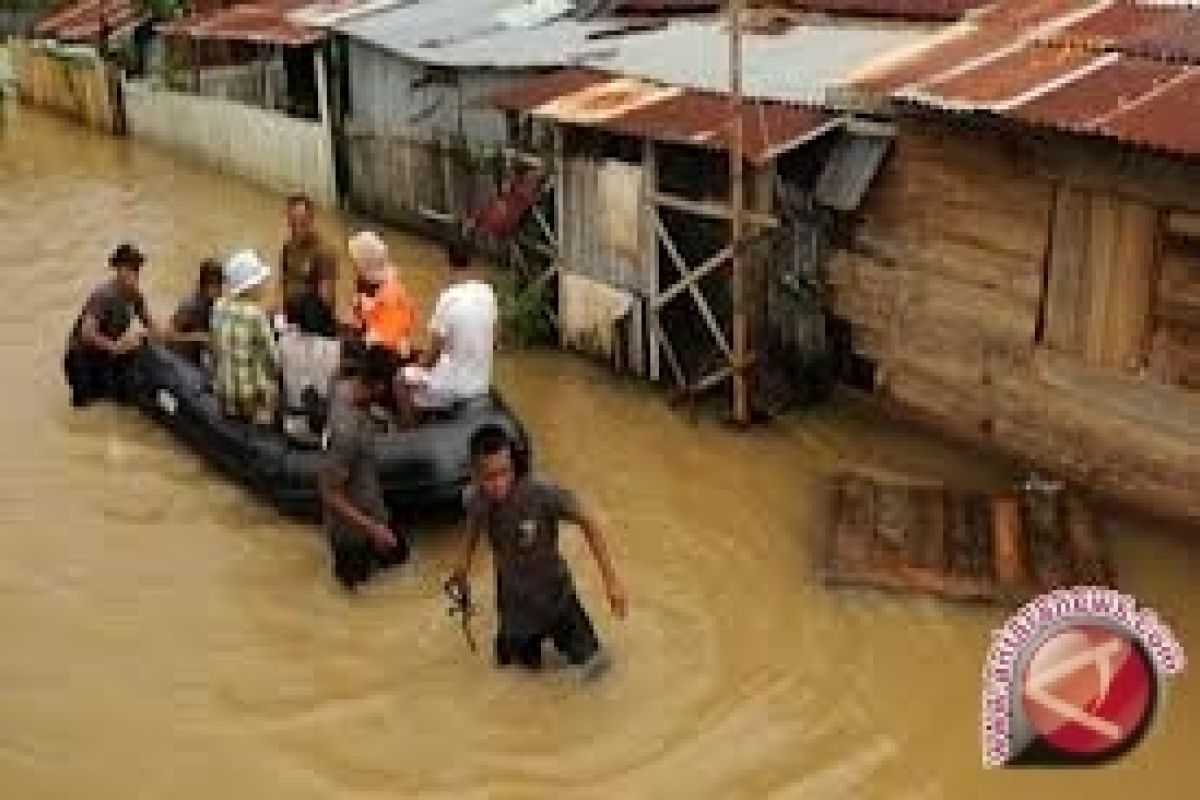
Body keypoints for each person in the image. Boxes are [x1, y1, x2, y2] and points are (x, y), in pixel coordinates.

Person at [448, 425, 627, 678]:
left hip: (557, 597)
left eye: (504, 473)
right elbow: (474, 526)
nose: (498, 484)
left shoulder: (542, 492)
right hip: (515, 605)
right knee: (516, 678)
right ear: (475, 474)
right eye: (489, 477)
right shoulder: (474, 498)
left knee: (597, 671)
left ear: (514, 465)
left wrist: (612, 582)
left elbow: (588, 521)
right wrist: (462, 566)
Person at [320, 345, 411, 591]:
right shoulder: (347, 431)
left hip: (374, 511)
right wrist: (373, 530)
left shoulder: (340, 388)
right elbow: (329, 493)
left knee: (401, 564)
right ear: (381, 387)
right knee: (355, 599)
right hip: (351, 534)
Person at [399, 237, 496, 425]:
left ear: (447, 262)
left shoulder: (448, 299)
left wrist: (415, 367)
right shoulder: (488, 293)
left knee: (400, 380)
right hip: (481, 384)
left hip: (455, 387)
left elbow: (432, 356)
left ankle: (409, 433)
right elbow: (495, 340)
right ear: (473, 262)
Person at [64, 243, 161, 407]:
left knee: (113, 399)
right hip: (80, 358)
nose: (134, 274)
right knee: (85, 408)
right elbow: (86, 332)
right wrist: (115, 346)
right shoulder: (104, 296)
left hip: (104, 355)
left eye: (136, 269)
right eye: (129, 268)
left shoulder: (135, 296)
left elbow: (151, 326)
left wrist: (161, 338)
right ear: (118, 269)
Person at [211, 250, 279, 425]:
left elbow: (215, 347)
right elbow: (272, 359)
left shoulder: (218, 306)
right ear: (252, 286)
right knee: (274, 384)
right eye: (260, 282)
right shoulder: (256, 314)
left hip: (223, 391)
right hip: (248, 397)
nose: (263, 285)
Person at [345, 231, 417, 359]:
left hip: (383, 357)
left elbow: (386, 340)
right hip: (368, 346)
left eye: (355, 262)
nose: (353, 266)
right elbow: (356, 317)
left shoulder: (391, 295)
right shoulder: (366, 284)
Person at [279, 193, 338, 337]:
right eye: (293, 224)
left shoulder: (323, 251)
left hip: (314, 319)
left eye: (303, 224)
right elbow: (283, 282)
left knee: (310, 304)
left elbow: (327, 299)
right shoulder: (288, 247)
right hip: (292, 313)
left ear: (311, 220)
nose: (298, 229)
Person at [168, 258, 222, 366]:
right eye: (214, 285)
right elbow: (169, 336)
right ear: (204, 285)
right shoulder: (190, 306)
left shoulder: (212, 304)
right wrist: (195, 337)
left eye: (220, 285)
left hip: (196, 361)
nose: (219, 290)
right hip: (180, 362)